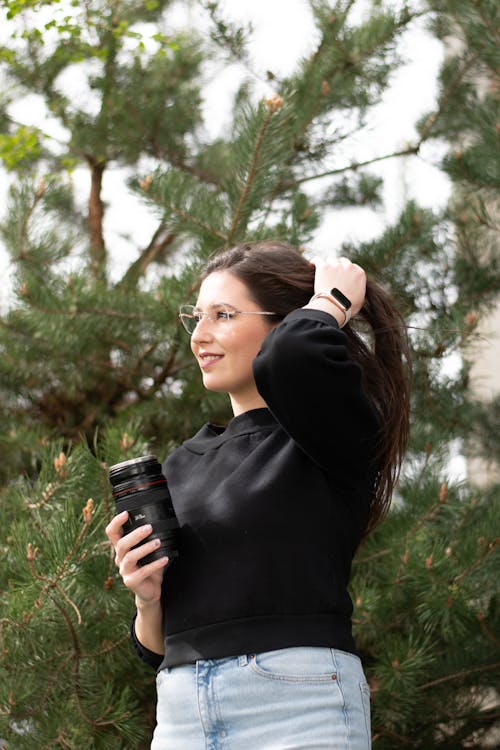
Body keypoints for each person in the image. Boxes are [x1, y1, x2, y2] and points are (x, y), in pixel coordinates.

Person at [105, 240, 411, 750]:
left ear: (287, 322)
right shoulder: (183, 463)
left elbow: (293, 354)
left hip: (296, 709)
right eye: (196, 318)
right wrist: (147, 600)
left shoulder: (329, 437)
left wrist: (332, 299)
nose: (200, 336)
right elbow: (160, 648)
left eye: (223, 315)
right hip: (183, 716)